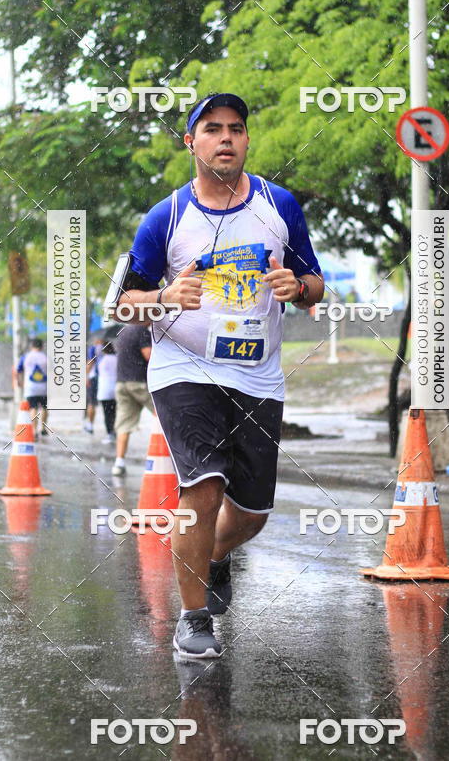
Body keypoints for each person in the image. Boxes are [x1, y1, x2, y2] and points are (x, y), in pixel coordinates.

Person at [116, 92, 324, 660]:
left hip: (257, 375)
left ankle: (209, 556)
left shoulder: (279, 206)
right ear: (192, 142)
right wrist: (162, 295)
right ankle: (193, 617)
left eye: (235, 128)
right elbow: (121, 304)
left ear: (247, 140)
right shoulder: (168, 217)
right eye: (212, 128)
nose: (225, 137)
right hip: (185, 368)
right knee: (201, 487)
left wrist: (297, 288)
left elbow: (314, 283)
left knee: (252, 514)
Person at [111, 324, 153, 476]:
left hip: (122, 383)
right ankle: (164, 458)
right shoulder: (142, 332)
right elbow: (149, 355)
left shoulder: (123, 331)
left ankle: (119, 463)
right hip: (138, 382)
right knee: (163, 414)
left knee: (124, 424)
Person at [17, 337, 48, 439]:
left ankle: (34, 431)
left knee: (33, 408)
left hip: (31, 387)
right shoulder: (45, 357)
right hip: (43, 387)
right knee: (44, 407)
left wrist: (20, 382)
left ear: (32, 346)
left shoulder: (26, 357)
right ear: (42, 346)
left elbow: (19, 370)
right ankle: (43, 428)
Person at [96, 340, 117, 444]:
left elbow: (99, 372)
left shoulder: (102, 360)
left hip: (105, 391)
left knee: (107, 414)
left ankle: (109, 434)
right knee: (115, 413)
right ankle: (116, 432)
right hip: (116, 390)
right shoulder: (117, 359)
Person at [84, 335, 103, 433]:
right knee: (108, 405)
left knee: (92, 403)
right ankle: (111, 429)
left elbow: (90, 363)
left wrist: (86, 377)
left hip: (94, 378)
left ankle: (90, 425)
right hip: (105, 379)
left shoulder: (93, 349)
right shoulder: (109, 348)